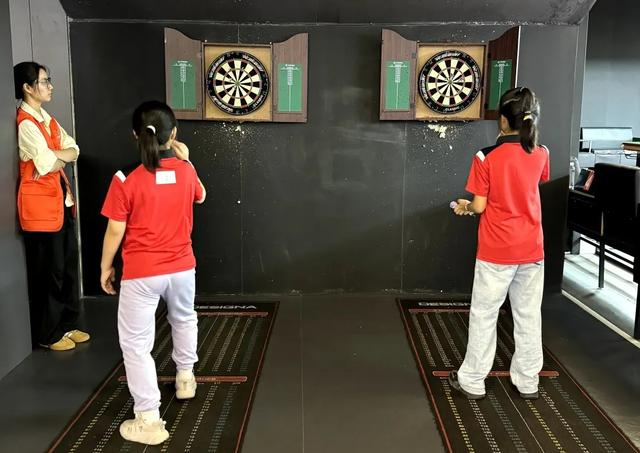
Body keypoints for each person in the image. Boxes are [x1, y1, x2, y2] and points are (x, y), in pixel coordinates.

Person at [100, 100, 206, 445]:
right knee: (184, 319)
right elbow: (201, 196)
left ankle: (148, 420)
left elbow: (115, 229)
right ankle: (185, 378)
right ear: (173, 134)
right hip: (182, 268)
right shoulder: (186, 170)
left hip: (142, 273)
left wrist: (105, 267)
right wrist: (187, 159)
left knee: (135, 345)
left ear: (135, 135)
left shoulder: (124, 178)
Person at [448, 87, 550, 401]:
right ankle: (528, 381)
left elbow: (479, 206)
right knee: (528, 315)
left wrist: (465, 207)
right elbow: (531, 185)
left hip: (497, 251)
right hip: (531, 250)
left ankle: (472, 381)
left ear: (503, 120)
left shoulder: (485, 156)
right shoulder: (542, 152)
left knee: (484, 314)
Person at [14, 61, 90, 351]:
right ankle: (48, 334)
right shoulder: (26, 123)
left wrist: (57, 155)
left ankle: (68, 325)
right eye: (44, 81)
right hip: (41, 211)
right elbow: (47, 163)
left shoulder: (48, 119)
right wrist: (59, 156)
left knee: (68, 269)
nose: (50, 86)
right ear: (27, 87)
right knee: (50, 273)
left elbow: (75, 149)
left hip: (61, 205)